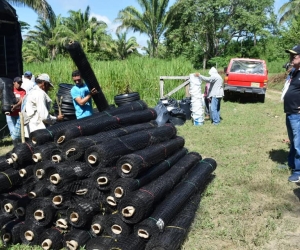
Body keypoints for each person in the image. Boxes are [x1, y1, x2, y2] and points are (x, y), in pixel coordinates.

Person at [22, 73, 64, 138]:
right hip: (37, 129)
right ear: (44, 84)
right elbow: (44, 117)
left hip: (31, 128)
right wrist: (56, 118)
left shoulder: (32, 91)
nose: (48, 88)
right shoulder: (40, 94)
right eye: (48, 86)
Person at [283, 44, 300, 182]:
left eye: (295, 55)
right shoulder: (294, 71)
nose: (292, 57)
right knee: (293, 141)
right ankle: (291, 164)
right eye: (291, 55)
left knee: (298, 143)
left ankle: (298, 171)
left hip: (297, 114)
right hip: (290, 112)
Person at [6, 77, 26, 145]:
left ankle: (18, 144)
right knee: (12, 131)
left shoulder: (23, 91)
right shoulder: (9, 90)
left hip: (18, 114)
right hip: (9, 114)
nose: (19, 85)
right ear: (14, 82)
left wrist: (16, 106)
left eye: (20, 83)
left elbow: (21, 100)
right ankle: (16, 145)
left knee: (18, 131)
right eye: (18, 83)